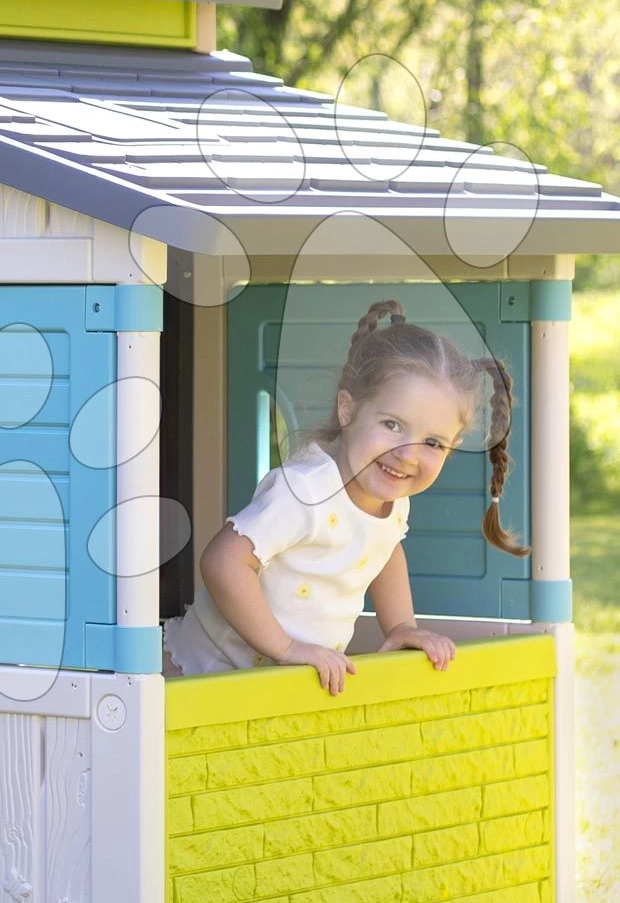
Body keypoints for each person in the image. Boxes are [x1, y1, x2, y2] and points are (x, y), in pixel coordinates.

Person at [163, 297, 530, 695]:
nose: (408, 455)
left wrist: (401, 626)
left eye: (432, 443)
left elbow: (385, 549)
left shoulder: (393, 500)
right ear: (347, 410)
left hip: (280, 681)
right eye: (392, 425)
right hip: (207, 672)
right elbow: (223, 563)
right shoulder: (306, 490)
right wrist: (286, 648)